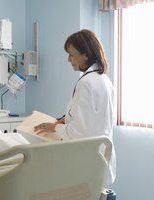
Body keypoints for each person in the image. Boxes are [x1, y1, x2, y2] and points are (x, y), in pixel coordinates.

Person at [34, 29, 116, 183]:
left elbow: (79, 132)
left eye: (71, 54)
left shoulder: (86, 83)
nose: (68, 59)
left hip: (85, 159)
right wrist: (67, 119)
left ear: (85, 54)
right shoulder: (104, 80)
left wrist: (54, 128)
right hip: (100, 156)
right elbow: (95, 118)